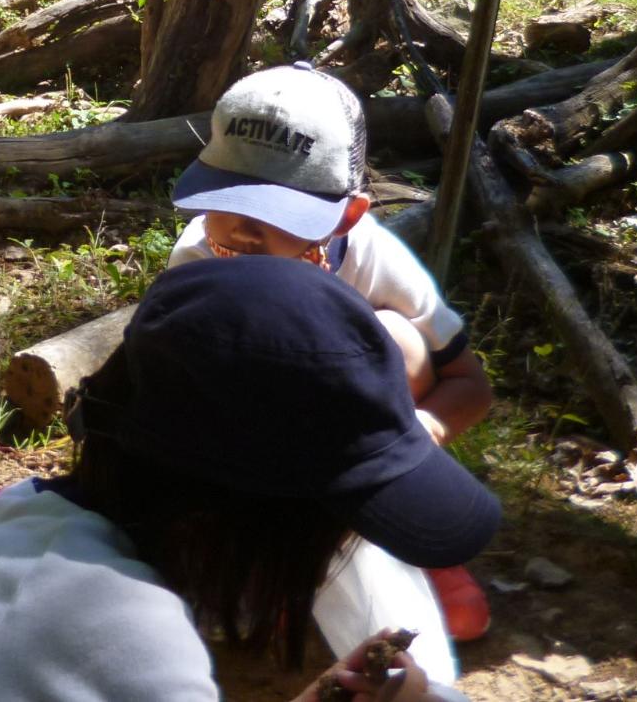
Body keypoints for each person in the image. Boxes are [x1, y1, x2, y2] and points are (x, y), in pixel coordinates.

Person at [0, 254, 500, 702]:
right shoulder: (126, 640)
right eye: (338, 525)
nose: (340, 549)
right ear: (245, 515)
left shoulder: (17, 524)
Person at [168, 64, 497, 664]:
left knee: (397, 340)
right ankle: (274, 553)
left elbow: (468, 384)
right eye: (225, 201)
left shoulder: (372, 259)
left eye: (273, 213)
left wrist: (418, 436)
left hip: (365, 452)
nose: (240, 230)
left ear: (345, 215)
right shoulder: (197, 260)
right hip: (256, 452)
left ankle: (408, 538)